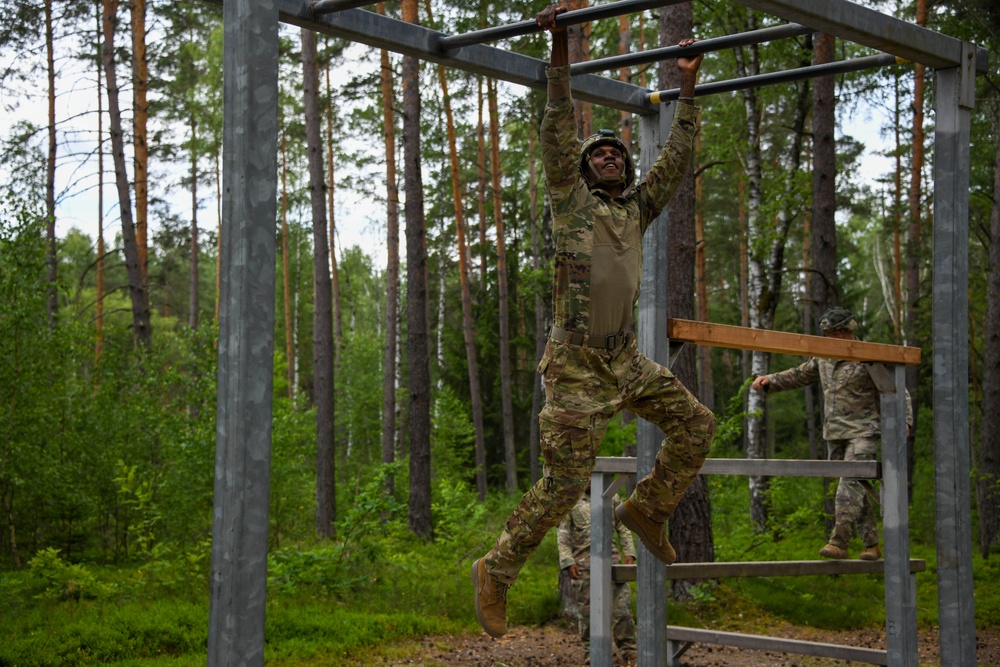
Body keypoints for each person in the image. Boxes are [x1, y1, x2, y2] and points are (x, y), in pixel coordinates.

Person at [471, 2, 716, 639]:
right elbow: (558, 122)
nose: (608, 156)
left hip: (624, 359)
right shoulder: (569, 201)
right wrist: (557, 52)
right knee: (564, 485)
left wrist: (686, 89)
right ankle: (496, 570)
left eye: (616, 153)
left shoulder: (637, 209)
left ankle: (649, 509)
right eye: (598, 153)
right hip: (577, 363)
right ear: (580, 170)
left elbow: (677, 159)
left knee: (696, 425)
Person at [750, 306, 913, 561]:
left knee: (848, 484)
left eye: (835, 333)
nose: (830, 338)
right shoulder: (823, 358)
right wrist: (770, 380)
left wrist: (906, 420)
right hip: (834, 433)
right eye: (827, 334)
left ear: (848, 331)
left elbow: (897, 389)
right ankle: (871, 543)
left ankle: (839, 542)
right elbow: (799, 374)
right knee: (857, 488)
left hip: (864, 431)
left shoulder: (868, 355)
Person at [558, 483, 637, 664]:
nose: (589, 482)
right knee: (588, 613)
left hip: (612, 564)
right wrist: (568, 562)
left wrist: (630, 553)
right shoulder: (571, 502)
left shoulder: (611, 498)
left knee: (621, 610)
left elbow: (623, 527)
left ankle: (630, 653)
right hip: (584, 567)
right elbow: (563, 535)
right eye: (586, 477)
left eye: (593, 477)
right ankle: (592, 655)